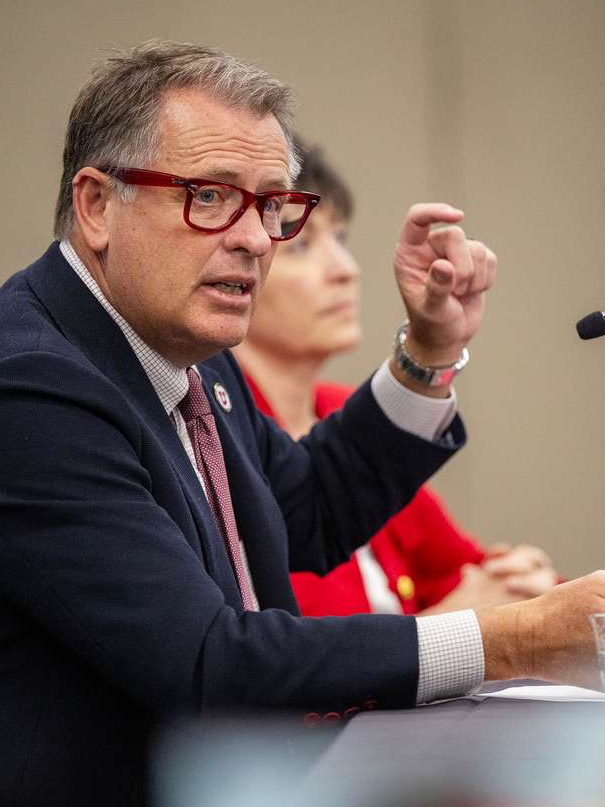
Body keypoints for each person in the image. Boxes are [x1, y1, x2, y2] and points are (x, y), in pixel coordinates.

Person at [0, 40, 605, 807]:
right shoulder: (27, 396)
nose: (252, 240)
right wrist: (510, 639)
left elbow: (304, 509)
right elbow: (211, 665)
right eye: (211, 197)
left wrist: (426, 352)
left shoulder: (176, 355)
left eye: (271, 204)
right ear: (96, 205)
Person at [235, 141, 557, 617]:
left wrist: (536, 589)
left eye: (340, 241)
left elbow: (467, 574)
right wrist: (456, 626)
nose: (347, 270)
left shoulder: (353, 417)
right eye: (299, 243)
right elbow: (287, 658)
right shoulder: (217, 437)